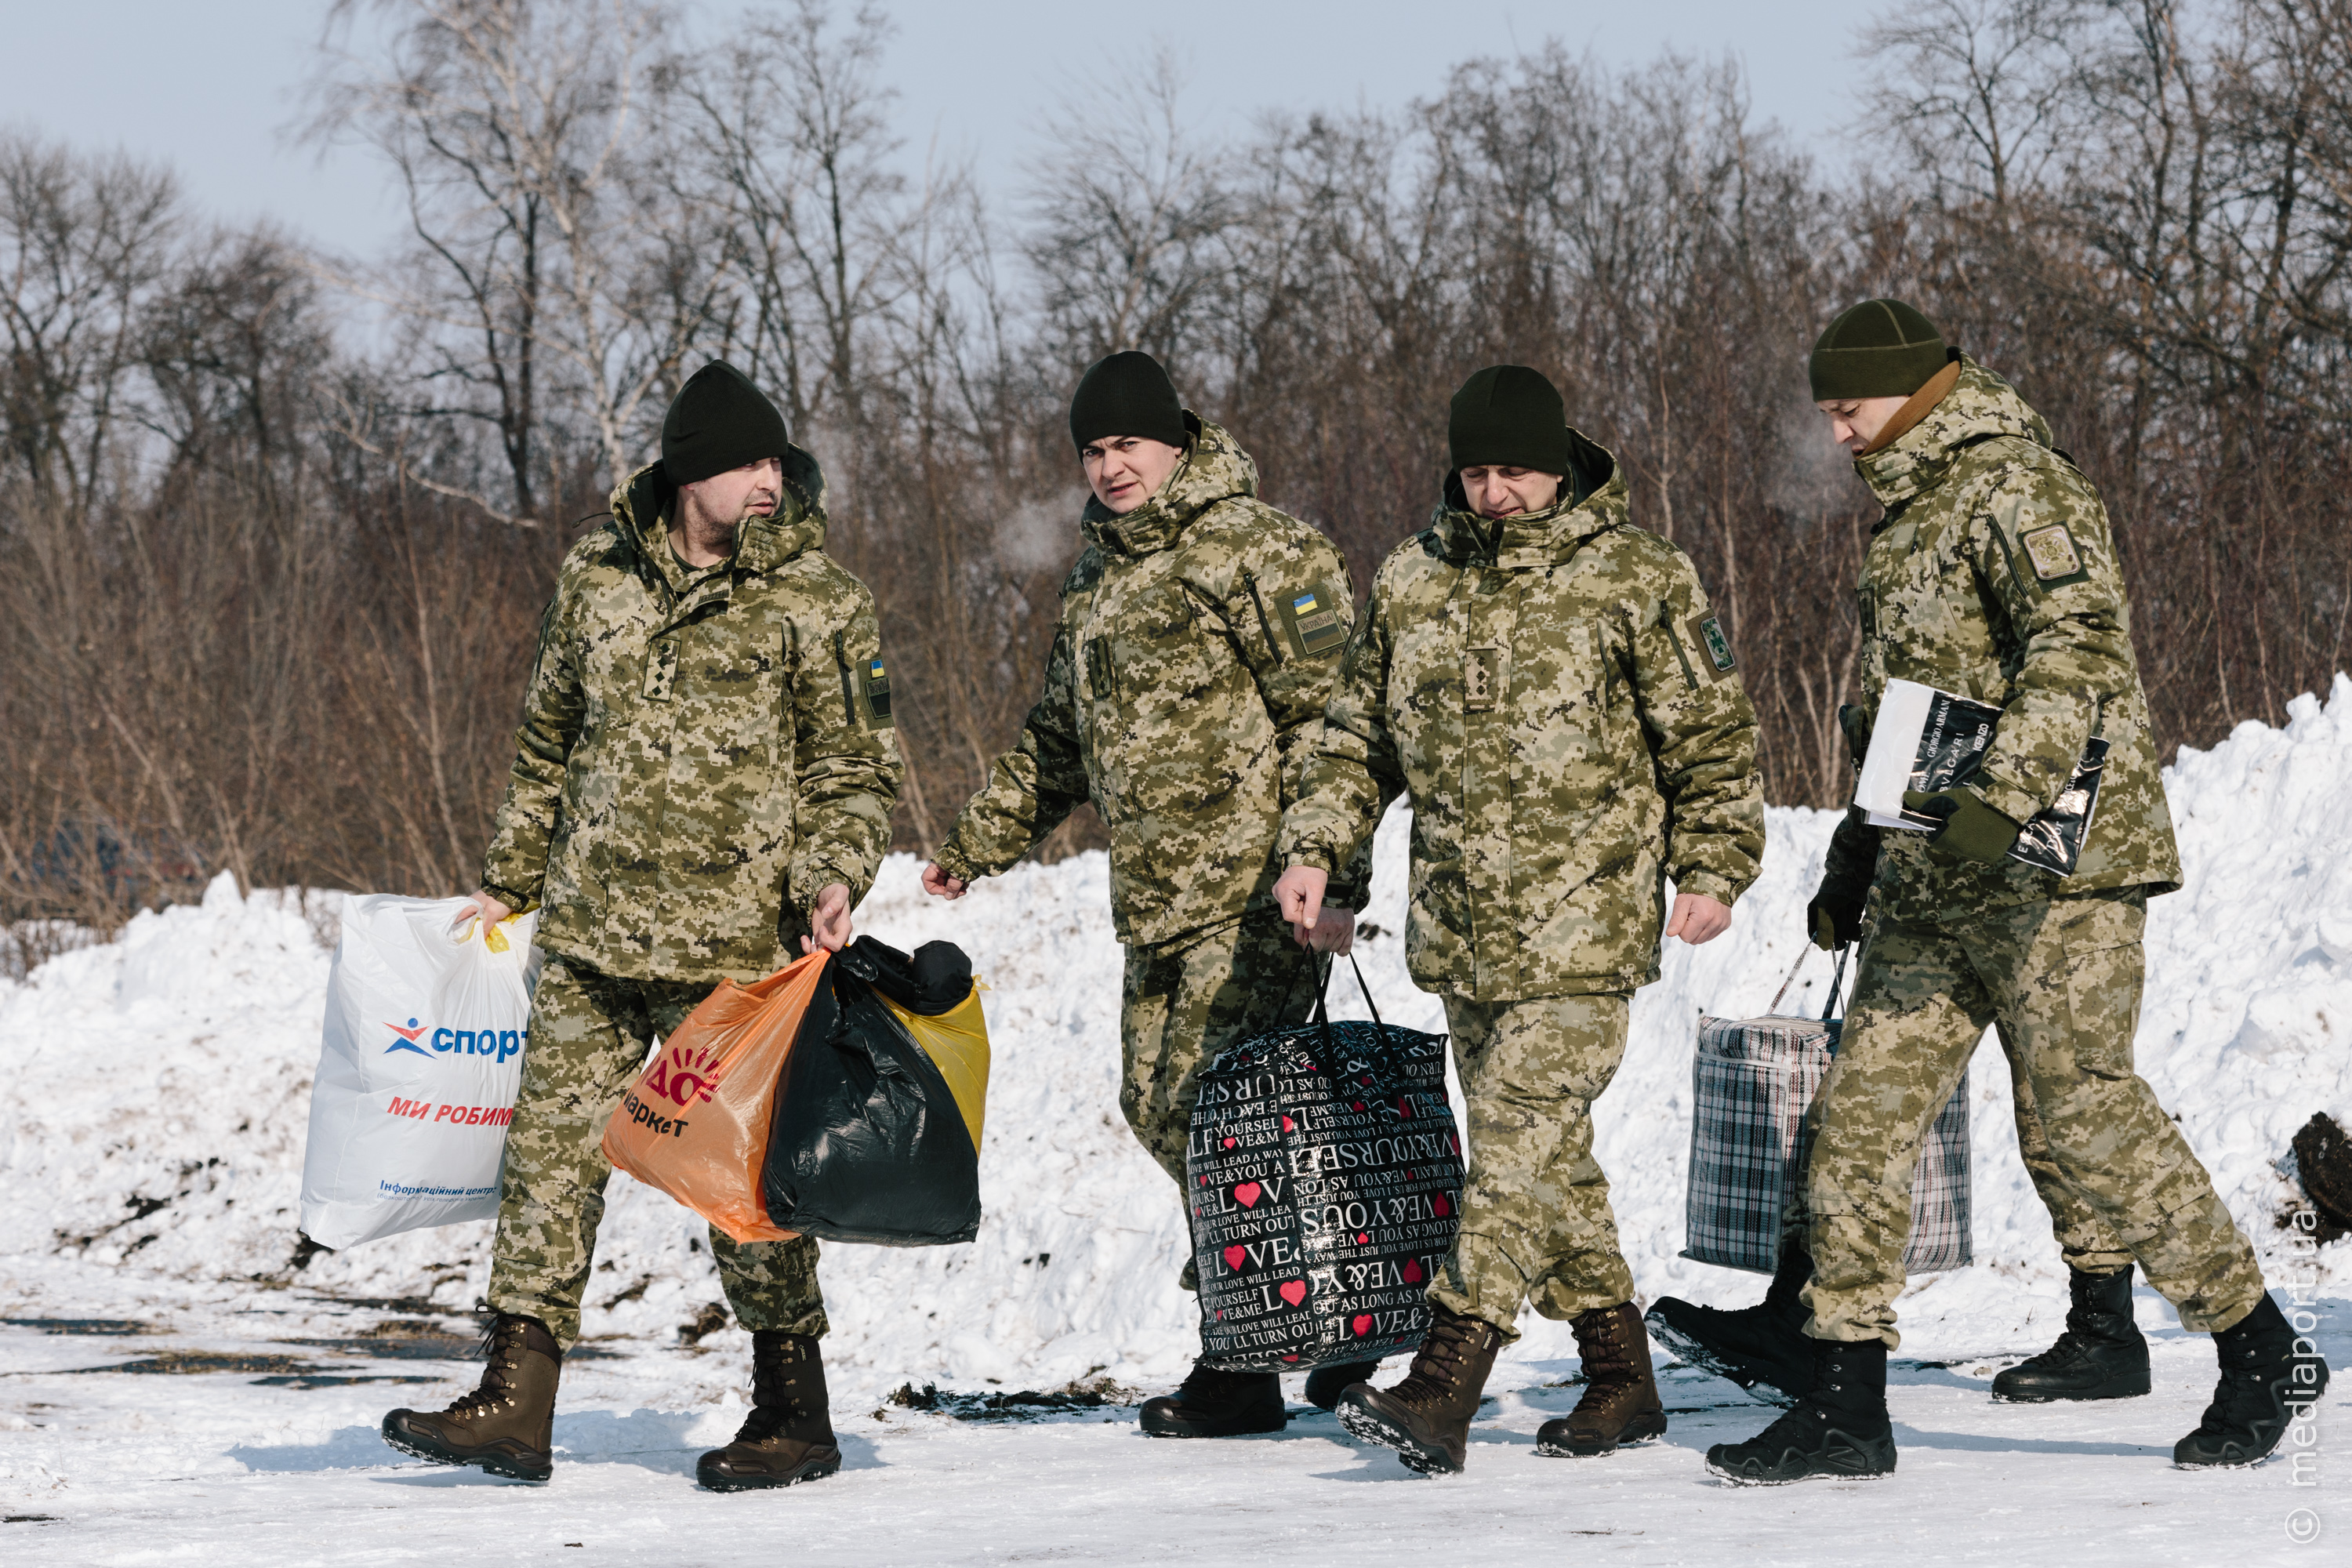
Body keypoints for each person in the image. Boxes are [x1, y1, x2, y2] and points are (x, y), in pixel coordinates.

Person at [1701, 299, 2330, 1485]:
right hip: (1939, 872)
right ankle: (1845, 1403)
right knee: (1861, 1118)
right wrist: (1859, 848)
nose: (1840, 436)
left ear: (1916, 389)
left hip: (2059, 868)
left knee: (2089, 1116)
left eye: (1852, 410)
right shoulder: (1915, 513)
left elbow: (2077, 655)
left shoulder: (2018, 487)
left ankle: (2261, 1354)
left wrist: (2002, 802)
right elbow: (1917, 715)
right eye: (1829, 415)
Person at [379, 361, 903, 1491]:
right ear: (684, 474)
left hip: (733, 949)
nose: (768, 481)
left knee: (740, 1186)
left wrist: (831, 875)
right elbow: (546, 736)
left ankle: (793, 1411)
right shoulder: (596, 577)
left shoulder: (818, 599)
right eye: (742, 463)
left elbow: (856, 768)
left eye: (776, 461)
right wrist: (510, 878)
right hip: (590, 935)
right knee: (547, 1163)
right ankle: (514, 1404)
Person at [1272, 365, 1766, 1474]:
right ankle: (1622, 1378)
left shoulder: (1636, 577)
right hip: (1466, 927)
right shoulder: (1413, 579)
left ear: (1561, 464)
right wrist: (1316, 852)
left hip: (1584, 926)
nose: (1495, 491)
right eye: (1477, 470)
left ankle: (1445, 1383)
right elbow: (1357, 740)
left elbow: (1711, 738)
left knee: (1513, 1151)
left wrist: (1716, 863)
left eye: (1518, 471)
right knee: (1537, 1156)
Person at [920, 350, 1370, 1437]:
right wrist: (976, 842)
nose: (1111, 467)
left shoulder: (1261, 549)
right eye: (1093, 450)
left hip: (1256, 893)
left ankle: (1249, 1357)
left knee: (1230, 1124)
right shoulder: (1098, 577)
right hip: (1157, 902)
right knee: (1167, 1110)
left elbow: (1336, 720)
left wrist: (1327, 867)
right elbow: (1057, 743)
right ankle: (1330, 1315)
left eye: (1128, 445)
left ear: (1177, 443)